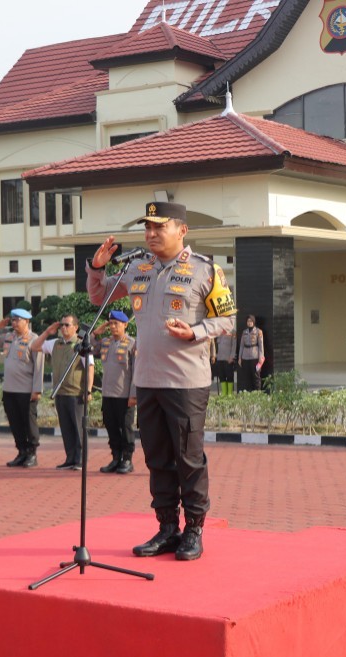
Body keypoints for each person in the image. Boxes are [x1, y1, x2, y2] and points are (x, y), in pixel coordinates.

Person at [87, 200, 235, 561]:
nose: (151, 234)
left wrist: (195, 331)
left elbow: (228, 320)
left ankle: (193, 530)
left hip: (186, 382)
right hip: (147, 380)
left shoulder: (206, 270)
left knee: (188, 458)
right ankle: (167, 528)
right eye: (147, 228)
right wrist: (96, 268)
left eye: (159, 227)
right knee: (157, 458)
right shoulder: (138, 268)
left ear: (181, 230)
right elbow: (99, 296)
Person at [31, 314, 94, 471]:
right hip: (60, 392)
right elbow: (34, 347)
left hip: (76, 393)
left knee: (78, 429)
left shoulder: (81, 345)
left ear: (76, 327)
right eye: (62, 325)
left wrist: (88, 390)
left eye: (67, 325)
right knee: (66, 429)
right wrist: (47, 332)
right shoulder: (55, 343)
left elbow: (90, 367)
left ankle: (80, 460)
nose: (63, 328)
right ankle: (70, 458)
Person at [0, 308, 45, 469]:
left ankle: (32, 453)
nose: (14, 323)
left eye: (18, 320)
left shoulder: (35, 340)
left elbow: (39, 367)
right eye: (13, 320)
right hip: (9, 390)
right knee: (15, 423)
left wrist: (37, 390)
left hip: (26, 391)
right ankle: (21, 451)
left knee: (29, 423)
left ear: (27, 322)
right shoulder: (9, 337)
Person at [92, 310, 137, 475]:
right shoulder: (105, 342)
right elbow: (88, 349)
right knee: (111, 427)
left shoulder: (132, 344)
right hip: (108, 393)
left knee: (125, 428)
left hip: (124, 395)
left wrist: (133, 394)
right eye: (110, 323)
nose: (112, 326)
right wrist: (95, 334)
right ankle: (116, 458)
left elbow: (136, 371)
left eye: (116, 323)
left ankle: (127, 459)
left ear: (125, 325)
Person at [238, 314, 264, 391]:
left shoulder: (258, 331)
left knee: (256, 376)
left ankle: (257, 393)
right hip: (245, 357)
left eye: (251, 321)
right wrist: (240, 357)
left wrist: (261, 357)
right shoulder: (244, 332)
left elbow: (261, 345)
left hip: (255, 356)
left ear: (253, 322)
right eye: (248, 321)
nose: (249, 323)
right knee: (247, 377)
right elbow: (241, 345)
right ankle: (248, 394)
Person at [215, 328, 236, 396]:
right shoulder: (219, 331)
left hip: (228, 358)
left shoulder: (232, 331)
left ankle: (230, 393)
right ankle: (224, 392)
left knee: (229, 375)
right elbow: (216, 345)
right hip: (219, 358)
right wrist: (215, 355)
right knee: (221, 376)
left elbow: (234, 345)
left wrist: (232, 357)